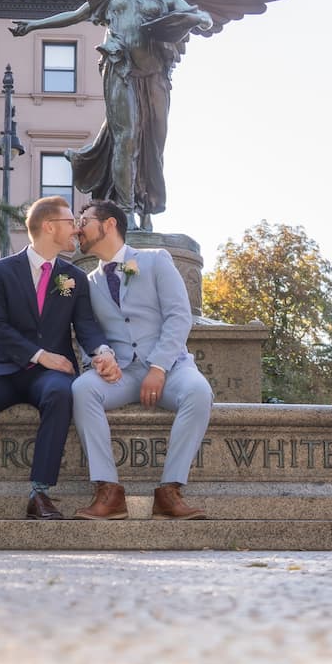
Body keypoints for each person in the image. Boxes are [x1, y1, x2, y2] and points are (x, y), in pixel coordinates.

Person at [11, 0, 301, 233]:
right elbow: (76, 15)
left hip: (154, 78)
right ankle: (125, 213)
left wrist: (200, 19)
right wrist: (33, 26)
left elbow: (197, 14)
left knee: (153, 144)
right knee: (128, 137)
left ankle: (146, 206)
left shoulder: (167, 2)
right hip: (120, 69)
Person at [0, 196, 120, 520]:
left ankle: (39, 494)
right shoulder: (0, 271)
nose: (77, 229)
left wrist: (103, 352)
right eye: (71, 222)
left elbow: (86, 326)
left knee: (61, 393)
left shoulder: (74, 278)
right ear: (49, 226)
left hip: (49, 378)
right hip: (3, 368)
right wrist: (41, 355)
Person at [68, 199, 213, 520]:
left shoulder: (156, 261)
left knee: (199, 392)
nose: (78, 227)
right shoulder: (88, 283)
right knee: (82, 389)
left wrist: (159, 366)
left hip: (171, 368)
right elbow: (87, 330)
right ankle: (108, 490)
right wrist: (98, 359)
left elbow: (179, 316)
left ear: (109, 225)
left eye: (84, 219)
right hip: (121, 375)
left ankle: (169, 491)